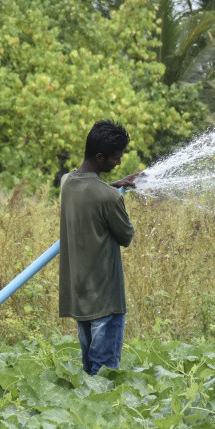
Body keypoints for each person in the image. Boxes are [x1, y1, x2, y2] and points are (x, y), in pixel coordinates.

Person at [59, 120, 141, 375]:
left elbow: (90, 190)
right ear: (99, 156)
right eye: (114, 159)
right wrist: (115, 194)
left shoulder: (66, 183)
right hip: (106, 300)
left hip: (81, 298)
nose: (117, 164)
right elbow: (126, 236)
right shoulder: (109, 198)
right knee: (104, 379)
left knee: (89, 374)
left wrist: (116, 184)